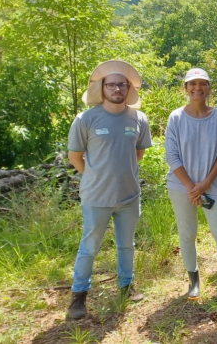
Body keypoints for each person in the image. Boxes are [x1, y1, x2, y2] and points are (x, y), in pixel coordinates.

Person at [66, 60, 152, 320]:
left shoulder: (139, 118)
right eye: (111, 84)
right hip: (96, 197)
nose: (117, 89)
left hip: (129, 196)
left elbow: (139, 153)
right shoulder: (86, 119)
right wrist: (95, 176)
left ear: (128, 88)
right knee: (89, 247)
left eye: (121, 84)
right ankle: (78, 297)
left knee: (127, 245)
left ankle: (126, 287)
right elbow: (75, 156)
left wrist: (120, 175)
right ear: (102, 87)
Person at [165, 68, 217, 300]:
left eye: (202, 84)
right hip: (181, 187)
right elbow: (172, 155)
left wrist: (205, 184)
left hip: (212, 185)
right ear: (186, 88)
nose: (197, 88)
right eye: (192, 84)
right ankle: (193, 280)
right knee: (187, 234)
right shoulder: (176, 117)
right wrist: (191, 187)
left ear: (209, 88)